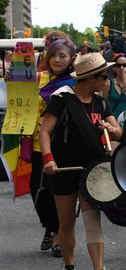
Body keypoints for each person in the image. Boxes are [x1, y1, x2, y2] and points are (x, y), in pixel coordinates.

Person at [38, 52, 122, 270]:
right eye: (103, 76)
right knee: (65, 223)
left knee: (92, 219)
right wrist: (48, 158)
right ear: (90, 79)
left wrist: (112, 130)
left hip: (91, 170)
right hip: (63, 170)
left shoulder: (101, 103)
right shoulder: (63, 100)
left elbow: (118, 131)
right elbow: (45, 132)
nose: (106, 80)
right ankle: (69, 266)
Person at [33, 37, 77, 257]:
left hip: (62, 144)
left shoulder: (75, 82)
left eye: (63, 56)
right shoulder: (38, 78)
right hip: (34, 141)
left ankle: (57, 234)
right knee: (38, 191)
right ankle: (48, 227)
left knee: (56, 192)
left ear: (71, 59)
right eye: (53, 55)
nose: (57, 60)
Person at [102, 53, 126, 131]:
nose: (122, 68)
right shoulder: (108, 84)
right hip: (113, 125)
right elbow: (103, 106)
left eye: (125, 65)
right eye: (118, 66)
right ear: (114, 68)